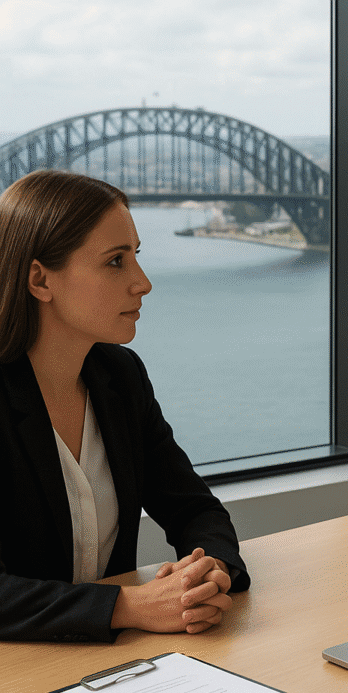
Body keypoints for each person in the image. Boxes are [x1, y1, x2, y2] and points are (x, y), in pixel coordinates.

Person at [0, 169, 250, 642]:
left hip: (111, 663)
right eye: (116, 261)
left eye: (137, 255)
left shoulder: (119, 376)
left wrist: (209, 571)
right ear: (40, 279)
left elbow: (195, 509)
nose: (143, 283)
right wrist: (129, 605)